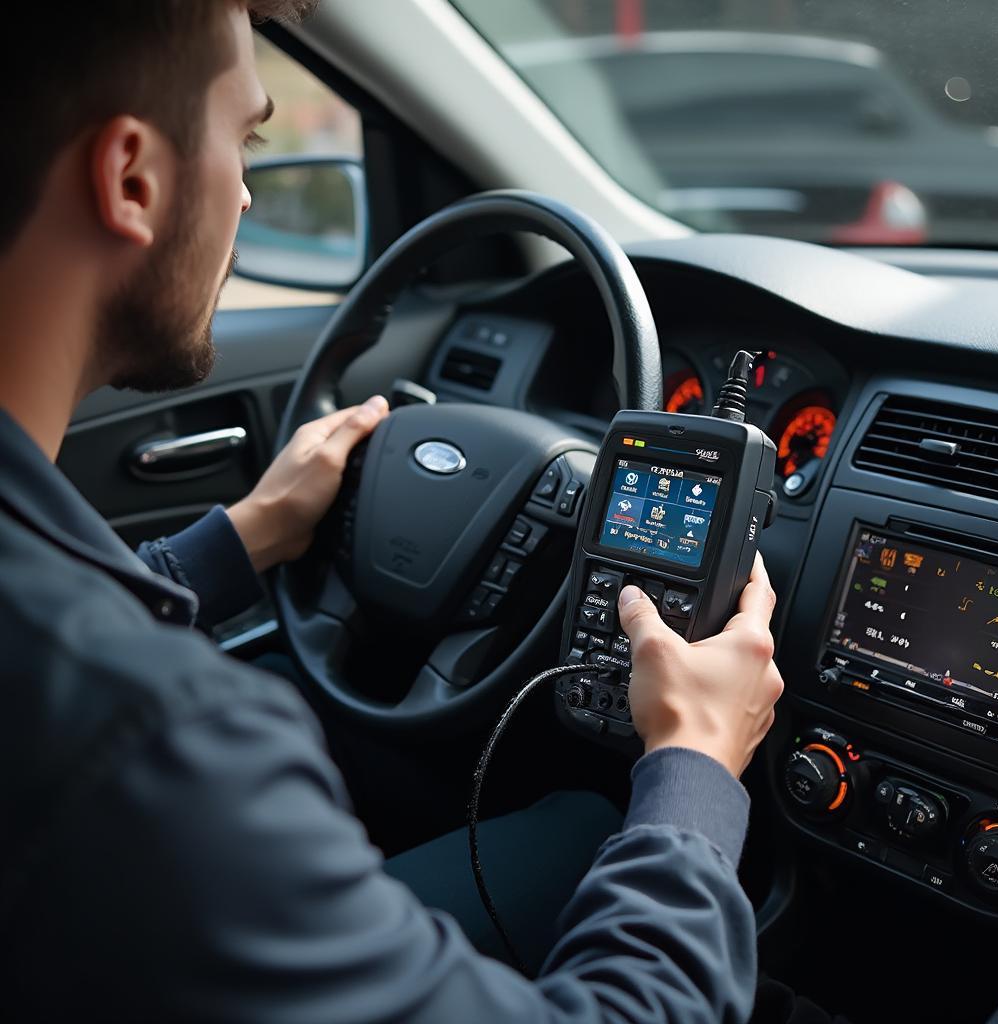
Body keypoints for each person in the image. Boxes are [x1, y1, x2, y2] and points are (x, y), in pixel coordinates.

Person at [0, 2, 784, 1021]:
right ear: (132, 178)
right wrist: (692, 766)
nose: (246, 190)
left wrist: (240, 536)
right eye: (245, 140)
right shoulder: (163, 741)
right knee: (592, 825)